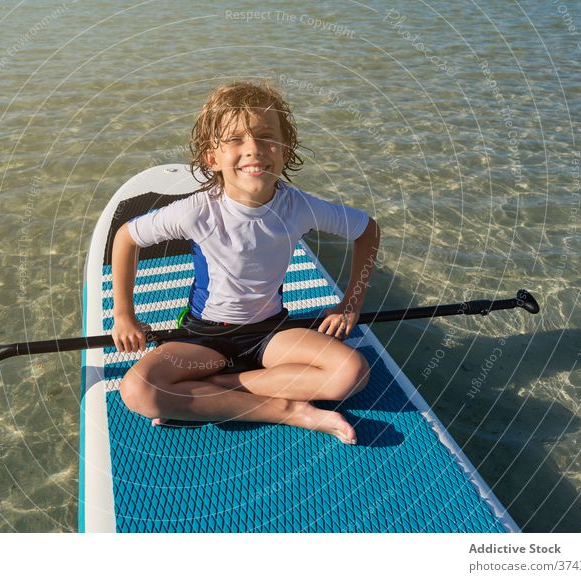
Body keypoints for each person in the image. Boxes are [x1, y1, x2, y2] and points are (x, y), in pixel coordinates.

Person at [110, 81, 380, 444]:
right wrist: (123, 314)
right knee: (138, 391)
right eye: (235, 140)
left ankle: (218, 388)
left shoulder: (299, 207)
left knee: (351, 374)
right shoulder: (197, 211)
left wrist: (351, 303)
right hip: (204, 338)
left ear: (286, 150)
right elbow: (126, 237)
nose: (253, 149)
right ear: (212, 158)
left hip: (271, 333)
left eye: (267, 136)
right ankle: (290, 410)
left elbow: (368, 231)